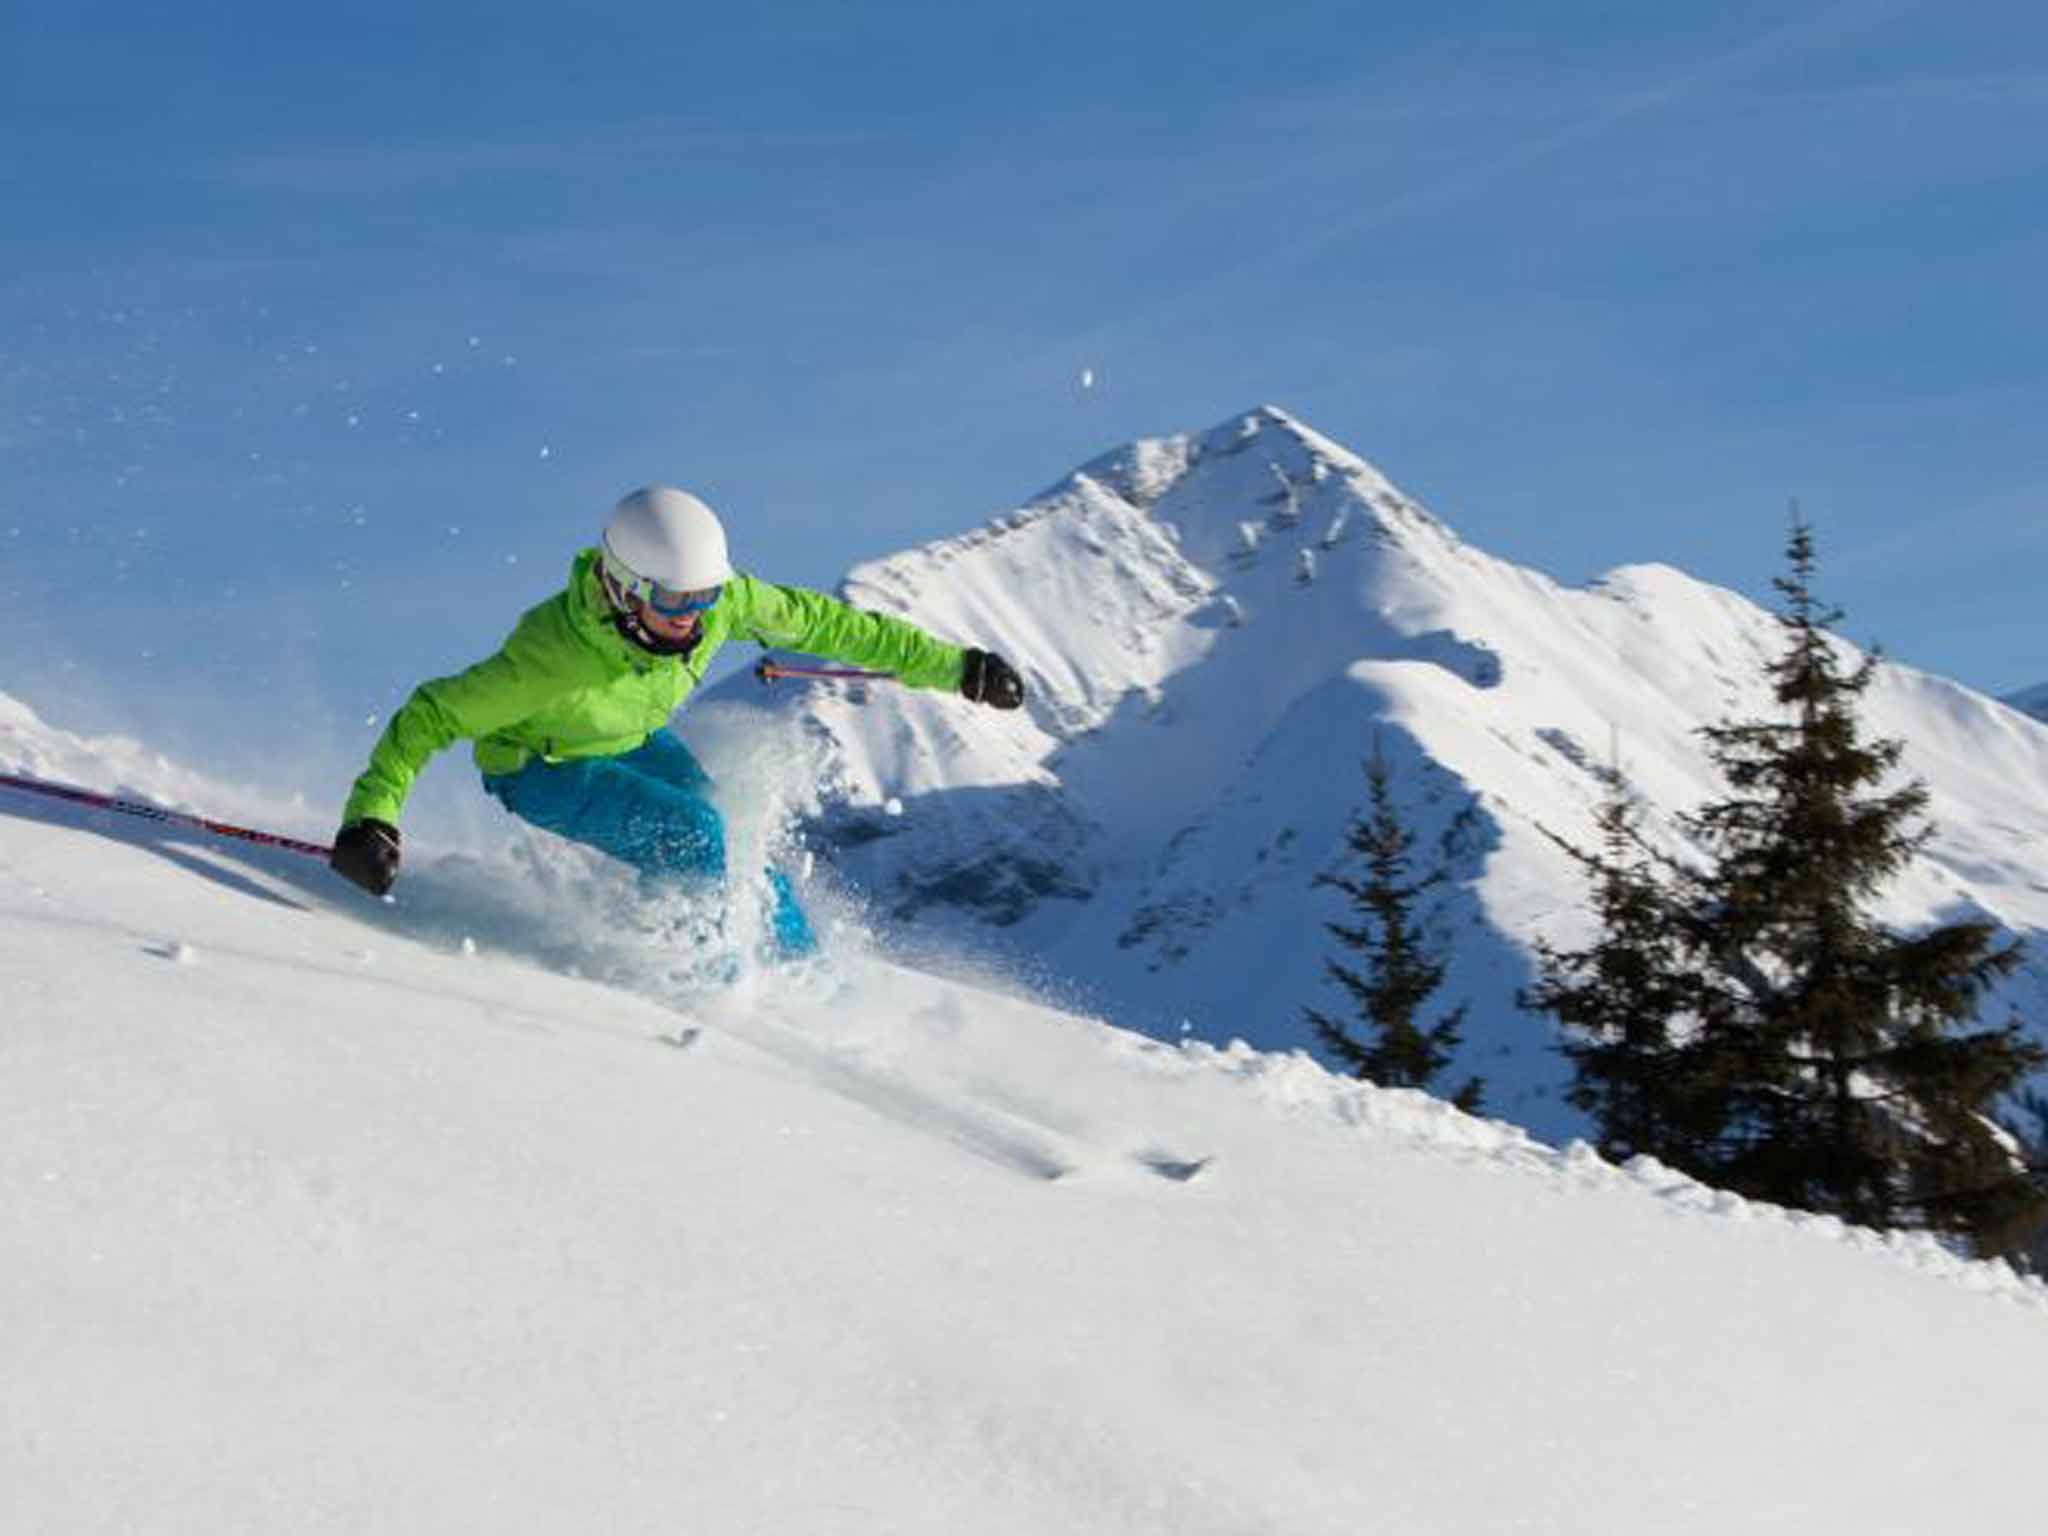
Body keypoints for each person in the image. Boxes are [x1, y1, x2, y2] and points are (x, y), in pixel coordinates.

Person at [329, 486, 1025, 959]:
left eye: (706, 596)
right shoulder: (551, 656)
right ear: (624, 586)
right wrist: (372, 818)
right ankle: (709, 971)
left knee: (732, 829)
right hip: (542, 769)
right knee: (698, 837)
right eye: (674, 599)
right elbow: (433, 713)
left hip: (630, 740)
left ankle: (802, 971)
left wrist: (955, 667)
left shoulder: (719, 605)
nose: (694, 615)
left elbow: (832, 624)